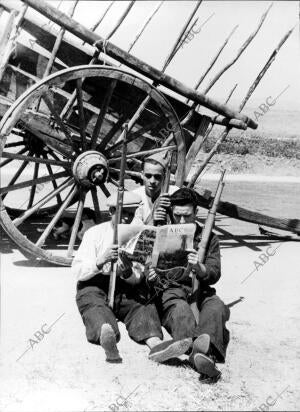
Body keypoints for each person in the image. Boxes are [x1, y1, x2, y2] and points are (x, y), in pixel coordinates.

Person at [72, 191, 191, 363]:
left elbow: (137, 278)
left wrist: (127, 273)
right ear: (111, 211)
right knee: (94, 307)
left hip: (124, 286)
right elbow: (78, 271)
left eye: (131, 213)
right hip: (94, 284)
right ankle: (107, 338)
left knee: (142, 306)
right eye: (123, 213)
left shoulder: (137, 233)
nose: (127, 219)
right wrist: (100, 261)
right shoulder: (95, 233)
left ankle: (156, 345)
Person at [147, 187, 230, 383]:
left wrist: (199, 268)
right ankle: (195, 351)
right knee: (180, 309)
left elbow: (214, 272)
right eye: (177, 216)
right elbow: (146, 265)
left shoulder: (209, 238)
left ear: (196, 212)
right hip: (172, 290)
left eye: (187, 216)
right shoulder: (162, 232)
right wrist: (151, 273)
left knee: (216, 307)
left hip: (201, 289)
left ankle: (205, 353)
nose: (182, 221)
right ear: (171, 213)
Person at [132, 152, 179, 224]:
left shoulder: (175, 193)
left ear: (165, 176)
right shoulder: (135, 197)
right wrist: (151, 219)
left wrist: (171, 211)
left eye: (157, 177)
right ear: (142, 175)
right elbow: (134, 231)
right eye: (148, 176)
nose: (152, 181)